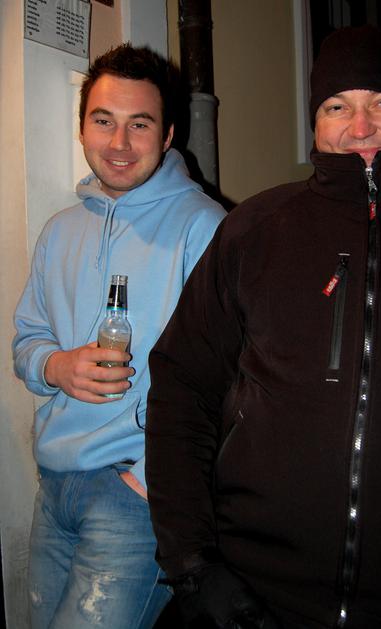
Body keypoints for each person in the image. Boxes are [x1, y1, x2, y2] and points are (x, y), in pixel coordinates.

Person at [145, 25, 381, 629]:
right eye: (336, 106)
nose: (360, 126)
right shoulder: (255, 230)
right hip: (257, 600)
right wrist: (192, 564)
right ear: (316, 122)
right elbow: (182, 386)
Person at [12, 43, 226, 629]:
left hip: (134, 500)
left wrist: (148, 482)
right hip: (54, 488)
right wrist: (55, 367)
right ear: (82, 127)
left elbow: (231, 376)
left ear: (168, 134)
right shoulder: (60, 230)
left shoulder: (205, 228)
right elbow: (27, 338)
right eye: (103, 121)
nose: (120, 143)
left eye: (140, 124)